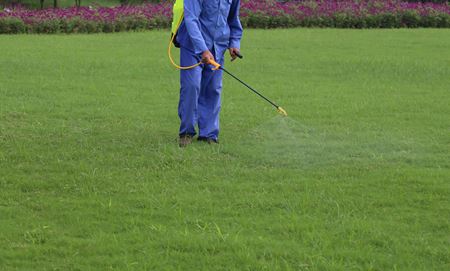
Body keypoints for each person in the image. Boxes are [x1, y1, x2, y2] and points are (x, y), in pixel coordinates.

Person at [176, 0, 243, 147]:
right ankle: (186, 132)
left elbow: (232, 18)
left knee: (213, 89)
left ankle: (209, 134)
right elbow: (191, 19)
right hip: (192, 46)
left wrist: (234, 43)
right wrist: (203, 49)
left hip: (217, 46)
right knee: (191, 86)